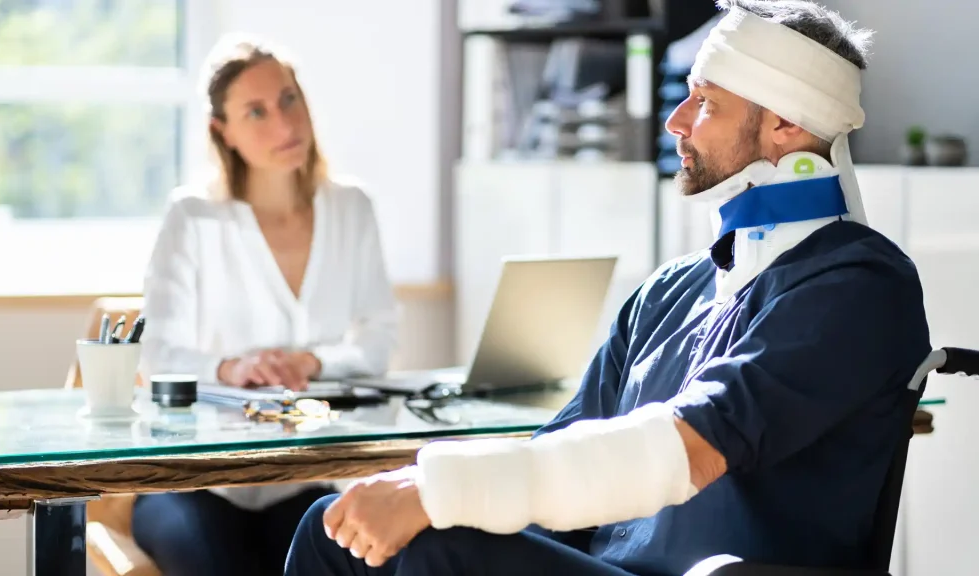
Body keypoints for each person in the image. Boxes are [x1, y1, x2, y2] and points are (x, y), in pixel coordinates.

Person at [285, 1, 935, 575]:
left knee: (438, 547)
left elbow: (688, 449)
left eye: (706, 103)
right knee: (335, 530)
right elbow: (560, 464)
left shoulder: (858, 288)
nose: (676, 121)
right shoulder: (668, 293)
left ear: (787, 128)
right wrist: (426, 500)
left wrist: (438, 493)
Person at [134, 34, 398, 576]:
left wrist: (311, 362)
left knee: (361, 553)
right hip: (193, 484)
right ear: (221, 132)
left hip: (302, 477)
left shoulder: (352, 208)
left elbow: (378, 341)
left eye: (288, 98)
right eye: (256, 111)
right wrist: (233, 368)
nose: (284, 123)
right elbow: (156, 353)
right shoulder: (193, 217)